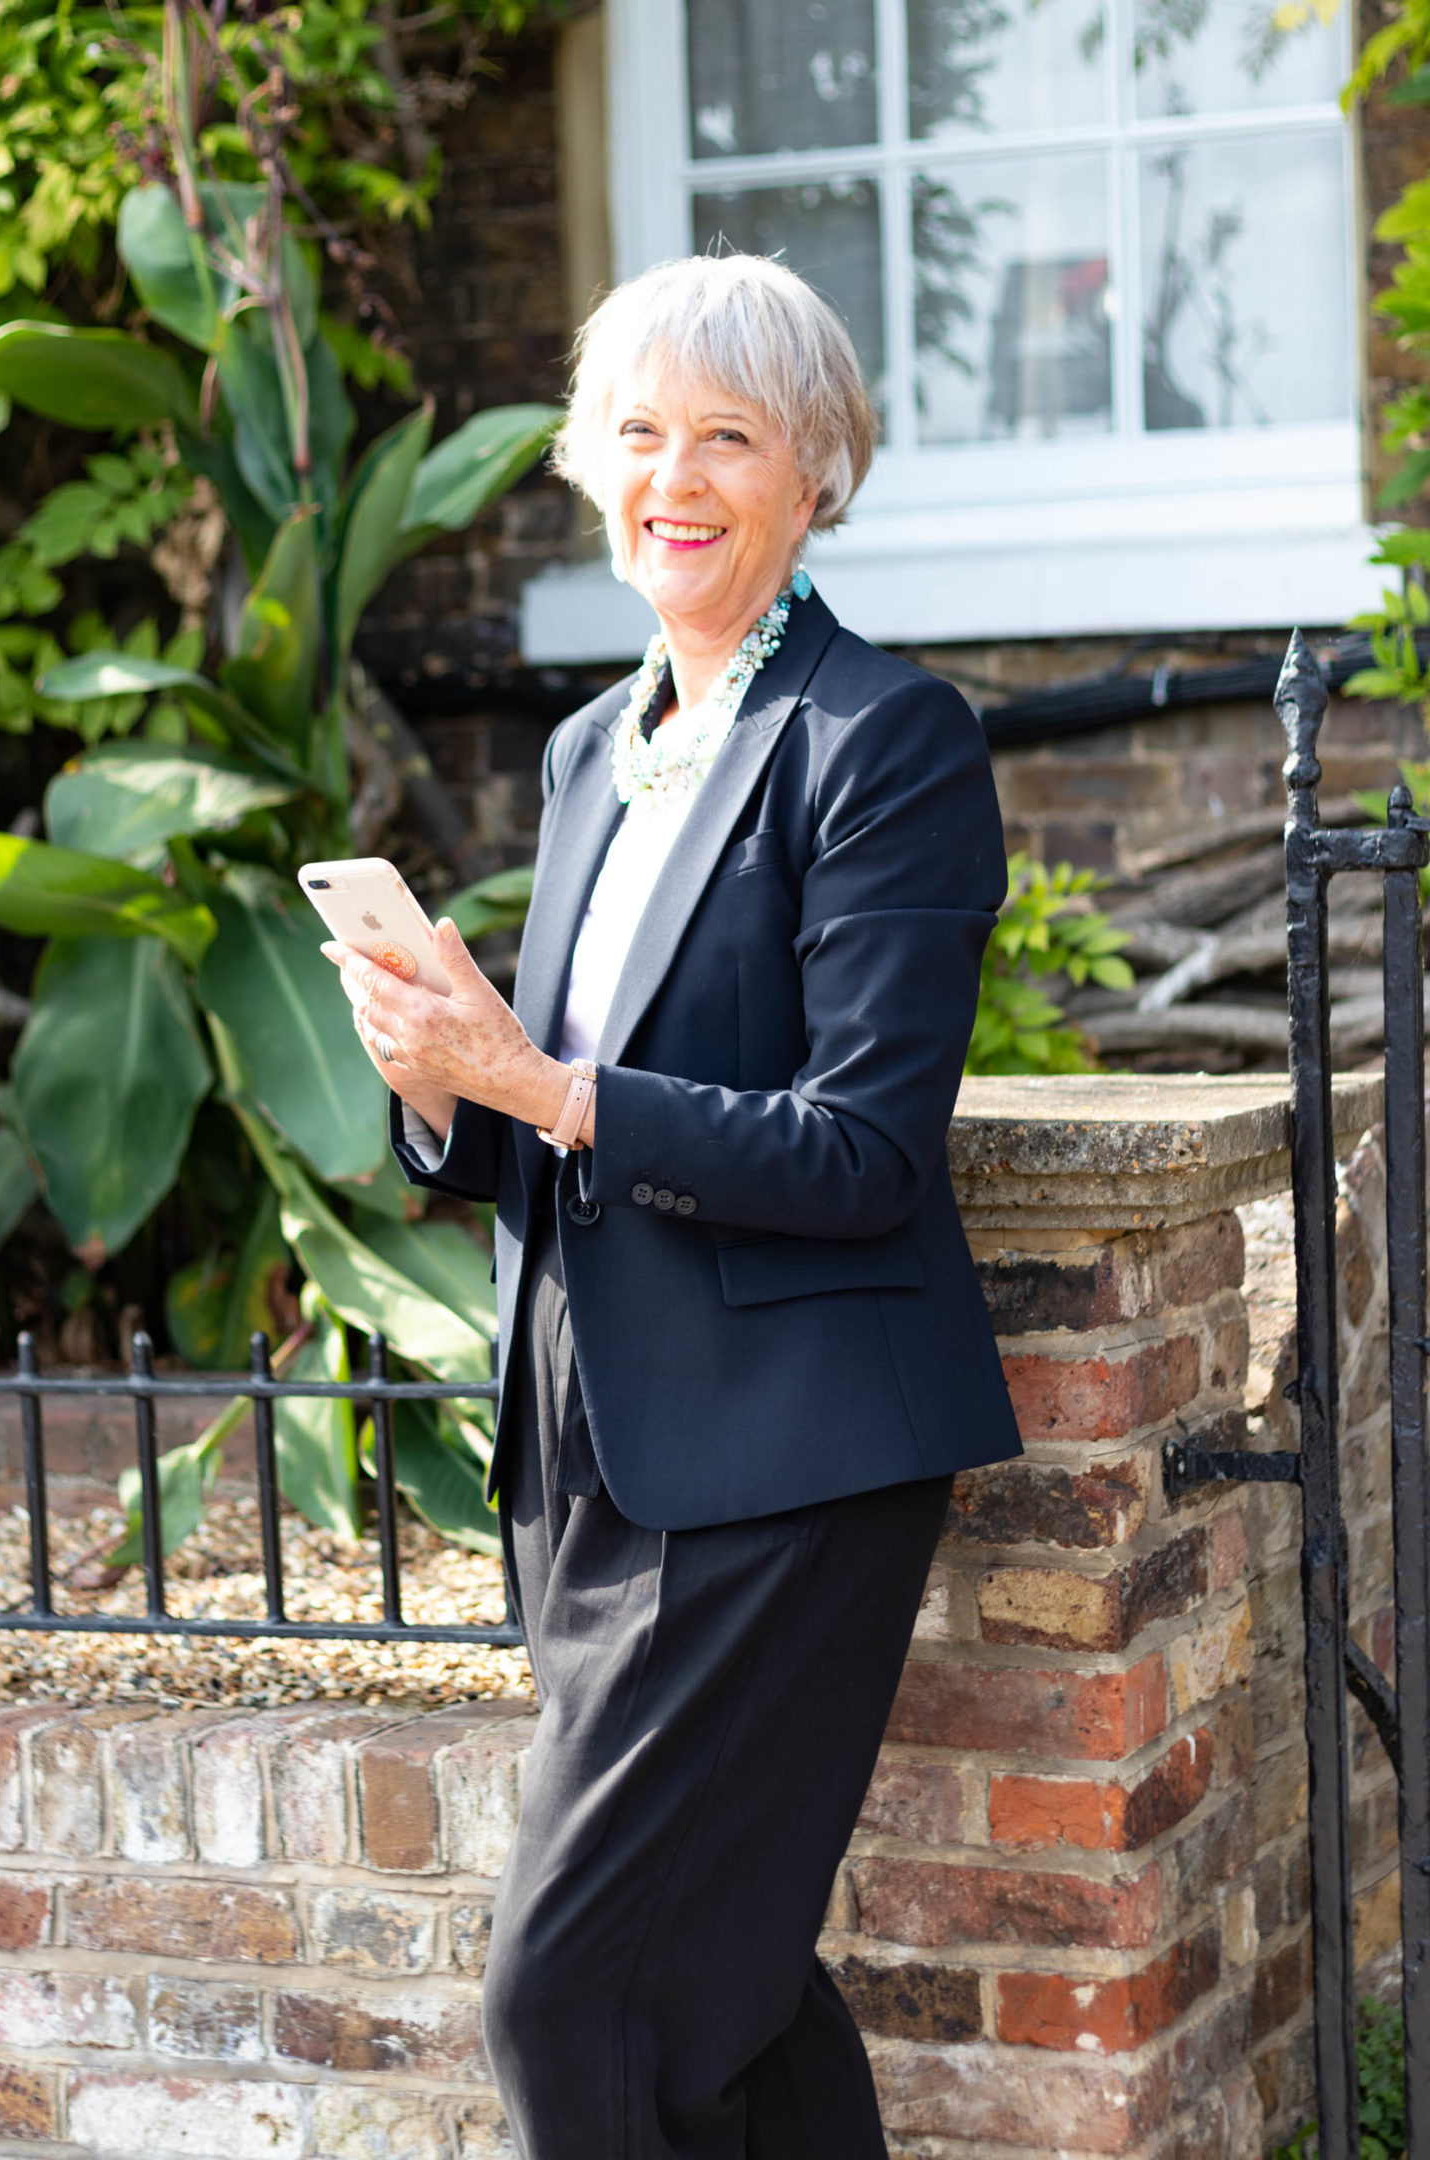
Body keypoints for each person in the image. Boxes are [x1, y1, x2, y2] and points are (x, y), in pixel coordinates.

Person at [321, 251, 1023, 2160]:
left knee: (570, 2003)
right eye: (638, 435)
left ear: (817, 474)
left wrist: (542, 1085)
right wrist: (441, 1090)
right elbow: (556, 1118)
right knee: (723, 1997)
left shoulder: (884, 741)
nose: (676, 476)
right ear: (589, 467)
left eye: (728, 434)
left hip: (783, 1463)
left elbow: (863, 1146)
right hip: (582, 1448)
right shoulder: (591, 755)